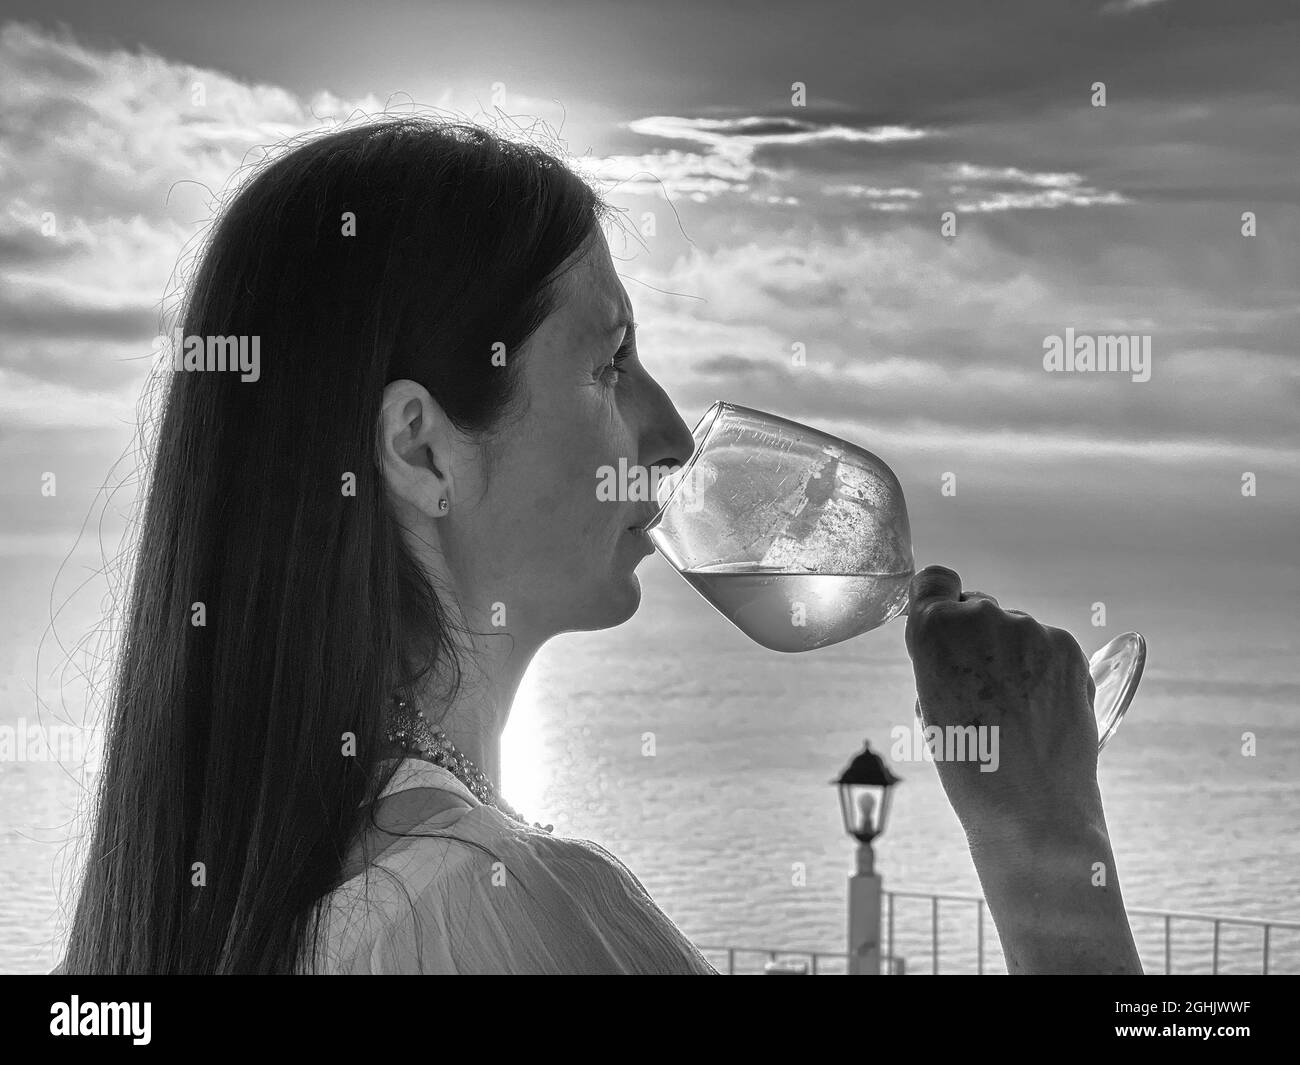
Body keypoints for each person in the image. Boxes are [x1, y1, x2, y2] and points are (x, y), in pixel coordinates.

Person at [57, 117, 1141, 974]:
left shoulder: (196, 907)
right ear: (423, 451)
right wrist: (1044, 843)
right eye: (610, 365)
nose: (669, 437)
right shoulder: (513, 909)